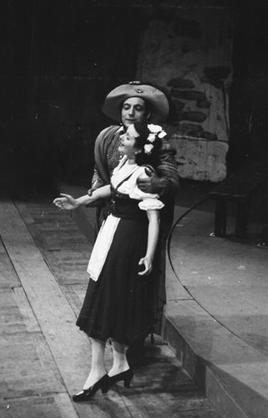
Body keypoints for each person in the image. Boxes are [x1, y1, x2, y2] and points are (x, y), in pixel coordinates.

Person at [53, 122, 167, 401]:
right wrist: (79, 201)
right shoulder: (124, 165)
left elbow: (154, 218)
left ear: (140, 148)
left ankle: (96, 372)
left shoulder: (143, 174)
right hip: (113, 232)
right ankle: (120, 365)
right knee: (108, 296)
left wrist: (149, 255)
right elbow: (111, 190)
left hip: (128, 240)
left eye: (127, 137)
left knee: (104, 298)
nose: (121, 139)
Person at [89, 82, 179, 360]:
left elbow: (171, 177)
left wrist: (158, 183)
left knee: (133, 283)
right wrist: (93, 188)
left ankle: (133, 342)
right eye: (126, 108)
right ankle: (107, 334)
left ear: (147, 115)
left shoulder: (157, 142)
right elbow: (99, 169)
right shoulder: (108, 137)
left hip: (136, 224)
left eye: (138, 108)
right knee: (107, 279)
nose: (130, 113)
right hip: (110, 217)